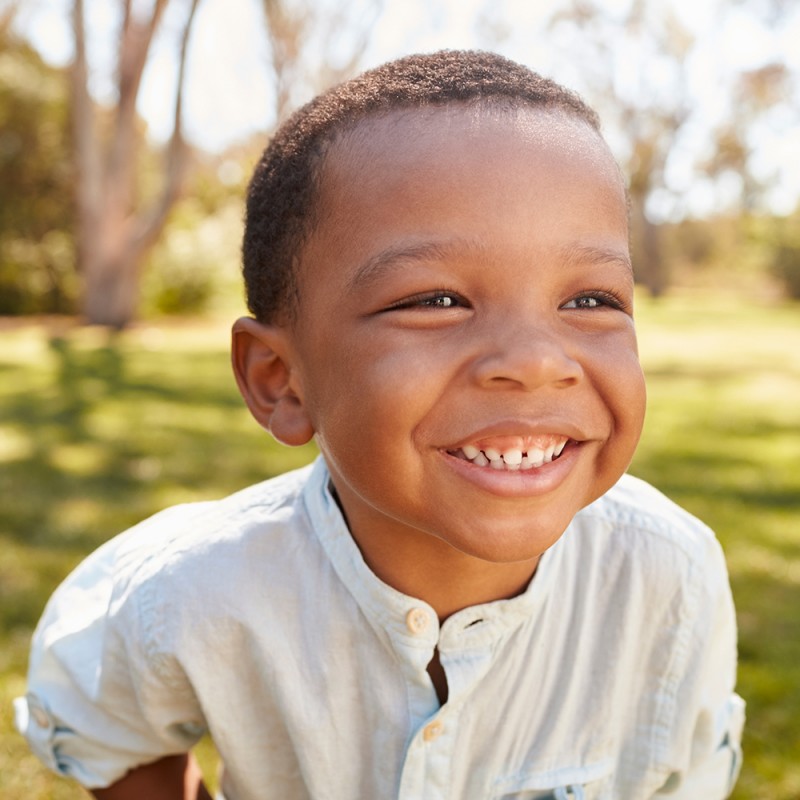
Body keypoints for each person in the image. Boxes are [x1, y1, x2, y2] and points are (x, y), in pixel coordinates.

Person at [15, 50, 744, 799]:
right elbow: (104, 726)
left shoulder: (670, 577)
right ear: (280, 380)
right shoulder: (191, 590)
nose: (534, 362)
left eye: (590, 300)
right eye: (435, 300)